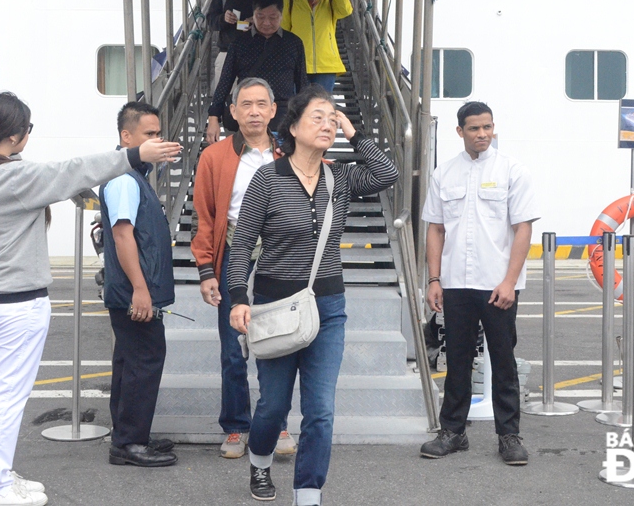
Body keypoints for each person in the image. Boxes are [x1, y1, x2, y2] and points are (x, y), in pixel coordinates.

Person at [0, 92, 178, 506]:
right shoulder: (13, 178)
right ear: (21, 135)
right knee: (6, 397)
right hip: (17, 303)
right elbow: (74, 171)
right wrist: (134, 156)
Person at [227, 85, 399, 505]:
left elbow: (386, 173)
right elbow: (243, 241)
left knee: (320, 409)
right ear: (294, 125)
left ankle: (308, 492)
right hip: (274, 305)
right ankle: (260, 459)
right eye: (318, 117)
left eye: (332, 118)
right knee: (273, 406)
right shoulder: (267, 178)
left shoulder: (339, 177)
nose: (327, 124)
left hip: (327, 306)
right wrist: (237, 297)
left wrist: (354, 134)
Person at [419, 101, 540, 466]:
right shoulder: (445, 174)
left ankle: (509, 436)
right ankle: (453, 432)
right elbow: (435, 229)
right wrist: (435, 279)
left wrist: (509, 281)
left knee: (503, 361)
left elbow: (523, 229)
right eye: (474, 128)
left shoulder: (511, 171)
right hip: (455, 283)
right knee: (456, 359)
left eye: (487, 127)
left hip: (497, 284)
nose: (483, 134)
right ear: (460, 132)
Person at [192, 78, 297, 460]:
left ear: (273, 110)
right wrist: (206, 270)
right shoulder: (214, 156)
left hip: (281, 254)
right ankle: (236, 426)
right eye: (245, 104)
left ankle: (277, 422)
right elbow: (203, 217)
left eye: (261, 104)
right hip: (233, 249)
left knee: (279, 343)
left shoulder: (290, 153)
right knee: (232, 346)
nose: (253, 111)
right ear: (233, 112)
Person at [101, 102, 181, 468]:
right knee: (144, 361)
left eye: (158, 133)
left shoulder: (134, 175)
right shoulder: (123, 178)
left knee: (129, 361)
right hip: (134, 290)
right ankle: (130, 443)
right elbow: (122, 235)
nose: (157, 140)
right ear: (126, 136)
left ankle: (128, 434)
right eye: (149, 134)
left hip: (131, 289)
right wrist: (141, 289)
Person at [206, 0, 309, 144]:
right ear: (252, 15)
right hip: (248, 118)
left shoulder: (294, 43)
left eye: (273, 17)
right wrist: (213, 119)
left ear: (282, 16)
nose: (266, 23)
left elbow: (302, 85)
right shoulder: (239, 43)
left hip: (283, 118)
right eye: (260, 17)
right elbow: (225, 82)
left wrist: (306, 119)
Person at [281, 0, 353, 95]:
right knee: (298, 109)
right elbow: (284, 30)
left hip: (326, 64)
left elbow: (346, 10)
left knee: (320, 108)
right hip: (298, 63)